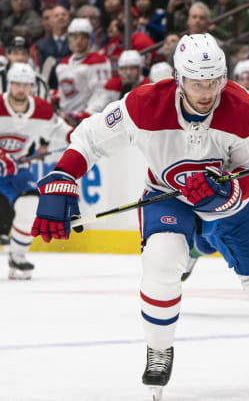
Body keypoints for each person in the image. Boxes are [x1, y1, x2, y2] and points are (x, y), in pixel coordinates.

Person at [30, 34, 249, 398]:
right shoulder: (143, 104)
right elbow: (90, 138)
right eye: (196, 82)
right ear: (178, 78)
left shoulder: (244, 109)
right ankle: (159, 348)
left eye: (213, 82)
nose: (206, 92)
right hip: (166, 196)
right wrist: (63, 176)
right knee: (161, 262)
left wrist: (229, 191)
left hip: (232, 205)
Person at [0, 63, 71, 279]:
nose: (21, 89)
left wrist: (82, 139)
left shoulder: (42, 110)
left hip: (17, 171)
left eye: (26, 85)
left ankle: (17, 257)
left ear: (32, 86)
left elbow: (61, 131)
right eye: (17, 84)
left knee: (31, 205)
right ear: (10, 84)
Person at [54, 18, 111, 125]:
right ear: (69, 38)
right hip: (65, 120)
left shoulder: (97, 61)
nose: (79, 41)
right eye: (75, 37)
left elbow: (102, 95)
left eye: (83, 37)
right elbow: (65, 92)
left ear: (90, 39)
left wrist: (86, 114)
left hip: (87, 121)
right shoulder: (63, 64)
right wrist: (55, 97)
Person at [87, 50, 150, 114]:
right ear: (119, 70)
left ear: (140, 70)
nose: (128, 73)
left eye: (132, 68)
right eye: (124, 69)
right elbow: (96, 108)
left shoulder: (148, 86)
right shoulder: (112, 84)